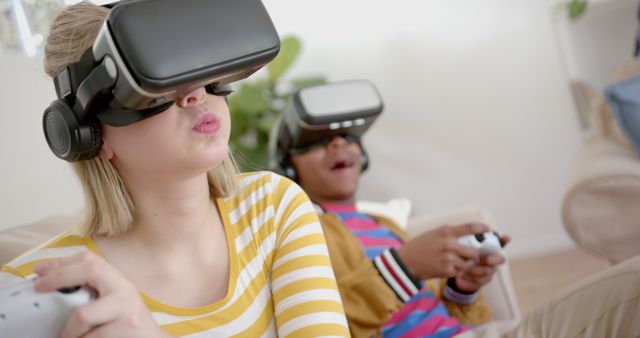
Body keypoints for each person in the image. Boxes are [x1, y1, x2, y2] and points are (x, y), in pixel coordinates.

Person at [0, 3, 350, 338]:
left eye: (201, 68)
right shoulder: (36, 287)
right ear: (88, 133)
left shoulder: (274, 209)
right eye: (155, 85)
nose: (195, 93)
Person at [270, 80, 640, 338]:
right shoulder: (302, 231)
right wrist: (403, 266)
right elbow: (318, 327)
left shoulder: (381, 224)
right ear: (288, 167)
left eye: (348, 138)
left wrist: (462, 288)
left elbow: (453, 318)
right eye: (319, 142)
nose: (339, 146)